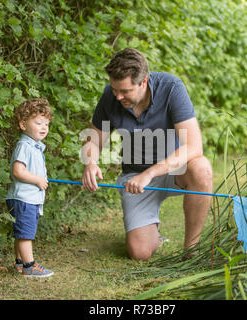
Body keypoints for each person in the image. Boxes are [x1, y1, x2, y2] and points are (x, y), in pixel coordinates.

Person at [81, 48, 213, 260]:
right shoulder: (111, 96)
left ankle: (191, 250)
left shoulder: (171, 88)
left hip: (174, 171)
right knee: (139, 252)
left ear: (143, 82)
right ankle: (153, 234)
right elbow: (94, 138)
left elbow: (194, 146)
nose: (118, 96)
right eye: (115, 90)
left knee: (202, 167)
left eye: (124, 91)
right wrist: (90, 162)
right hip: (135, 179)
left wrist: (151, 173)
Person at [5, 98, 54, 277]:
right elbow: (17, 171)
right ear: (23, 124)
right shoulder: (25, 145)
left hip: (25, 198)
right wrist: (37, 180)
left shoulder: (35, 147)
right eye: (38, 122)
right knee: (26, 234)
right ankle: (29, 266)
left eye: (46, 124)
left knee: (21, 232)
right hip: (24, 198)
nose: (44, 127)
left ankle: (19, 263)